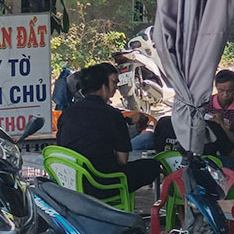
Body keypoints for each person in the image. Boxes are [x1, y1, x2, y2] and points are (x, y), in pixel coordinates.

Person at [56, 62, 160, 193]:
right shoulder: (112, 115)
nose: (116, 88)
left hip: (70, 182)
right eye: (114, 83)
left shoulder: (67, 114)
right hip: (102, 183)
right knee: (153, 165)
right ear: (103, 87)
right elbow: (122, 160)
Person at [152, 113, 234, 160]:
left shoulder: (164, 123)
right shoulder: (212, 127)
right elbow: (233, 154)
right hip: (205, 183)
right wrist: (221, 124)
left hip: (174, 183)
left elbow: (159, 155)